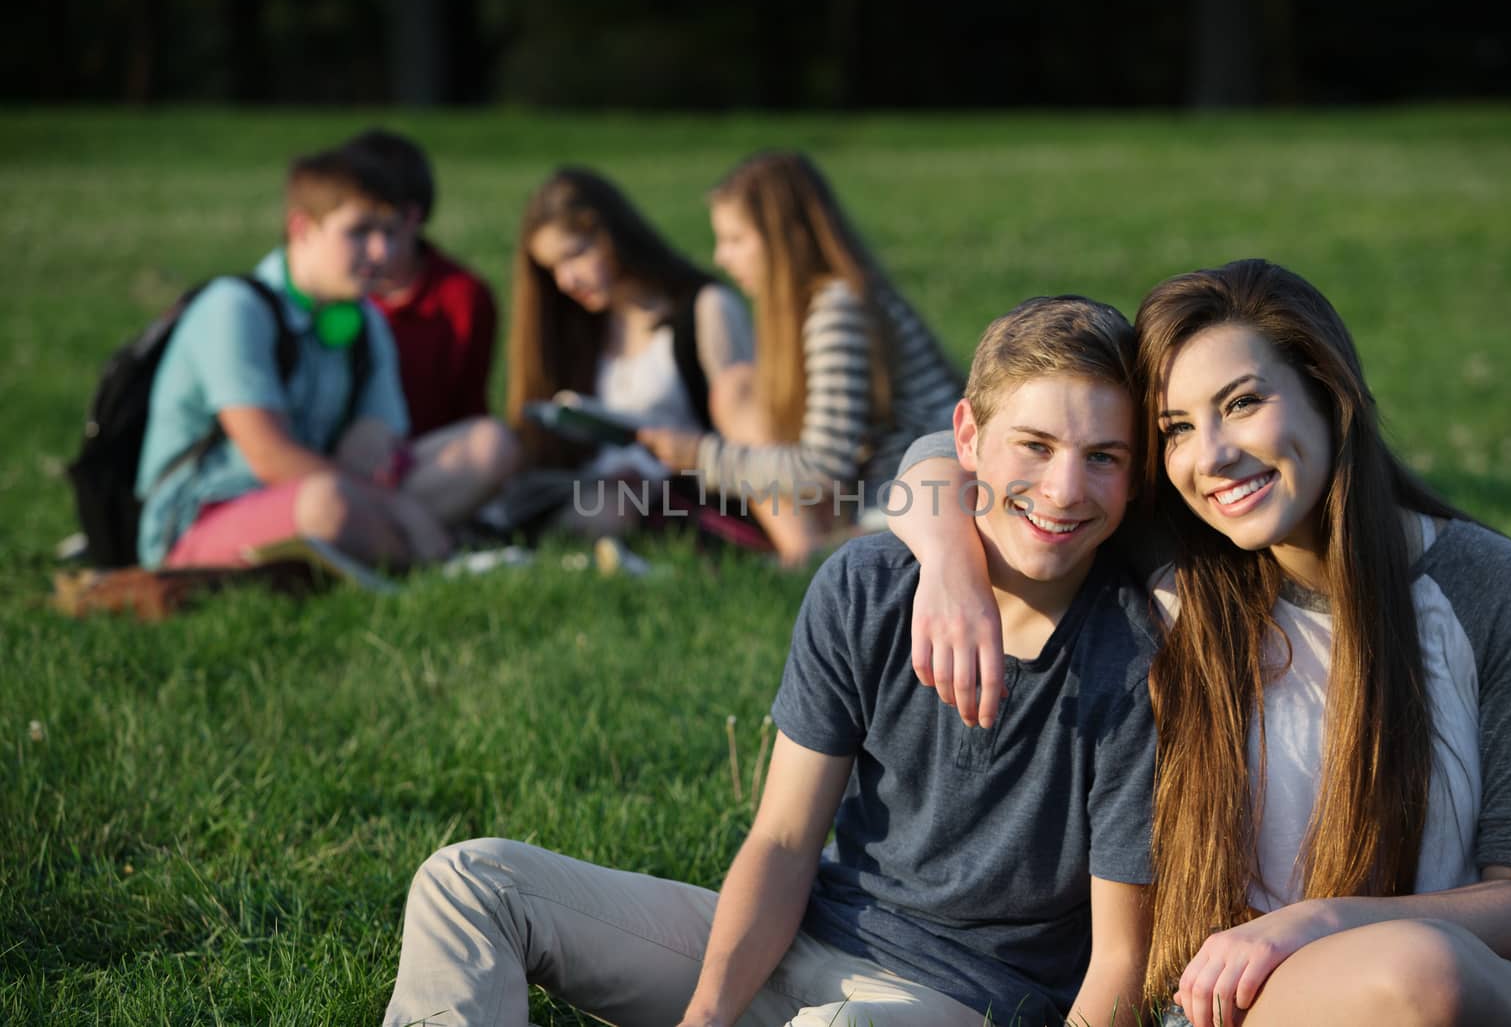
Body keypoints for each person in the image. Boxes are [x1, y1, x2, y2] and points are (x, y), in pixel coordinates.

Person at [383, 296, 1162, 1027]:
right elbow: (785, 840)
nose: (1064, 487)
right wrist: (709, 1013)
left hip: (953, 999)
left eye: (1103, 456)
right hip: (802, 938)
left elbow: (1121, 955)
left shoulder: (1138, 658)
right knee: (473, 883)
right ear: (967, 437)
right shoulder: (867, 586)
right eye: (1035, 444)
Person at [890, 259, 1511, 1027]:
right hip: (1228, 999)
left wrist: (1319, 919)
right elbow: (950, 453)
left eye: (1244, 403)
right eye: (1177, 430)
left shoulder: (1492, 587)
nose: (1214, 454)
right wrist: (950, 564)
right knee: (1422, 975)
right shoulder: (1166, 559)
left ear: (1329, 391)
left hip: (1425, 958)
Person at [136, 142, 516, 572]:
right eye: (359, 232)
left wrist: (375, 452)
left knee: (490, 445)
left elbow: (377, 443)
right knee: (327, 503)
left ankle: (385, 547)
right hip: (207, 516)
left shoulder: (364, 321)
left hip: (327, 490)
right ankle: (434, 553)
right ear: (302, 228)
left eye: (390, 233)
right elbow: (271, 456)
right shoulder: (235, 308)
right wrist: (397, 506)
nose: (381, 253)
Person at [636, 150, 963, 565]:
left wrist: (700, 456)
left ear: (785, 239)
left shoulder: (837, 310)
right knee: (745, 386)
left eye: (736, 240)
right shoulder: (832, 302)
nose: (721, 257)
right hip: (888, 491)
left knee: (738, 390)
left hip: (919, 497)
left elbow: (822, 468)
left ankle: (806, 555)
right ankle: (814, 551)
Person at [491, 166, 754, 535]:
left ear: (610, 233)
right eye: (553, 269)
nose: (566, 281)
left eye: (576, 255)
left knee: (611, 507)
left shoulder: (706, 309)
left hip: (687, 488)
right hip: (597, 485)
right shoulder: (580, 324)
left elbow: (748, 430)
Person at [343, 127, 501, 438]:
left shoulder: (463, 297)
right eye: (356, 229)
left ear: (412, 217)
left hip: (428, 459)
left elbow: (468, 412)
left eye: (379, 226)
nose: (369, 248)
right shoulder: (329, 294)